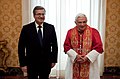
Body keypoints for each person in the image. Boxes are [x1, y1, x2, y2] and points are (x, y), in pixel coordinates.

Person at [18, 6, 58, 79]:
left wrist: (53, 60)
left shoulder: (50, 28)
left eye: (43, 14)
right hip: (31, 63)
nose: (41, 16)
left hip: (46, 63)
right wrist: (23, 64)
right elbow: (21, 47)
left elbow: (55, 45)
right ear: (34, 15)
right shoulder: (26, 28)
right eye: (38, 14)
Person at [63, 13, 103, 79]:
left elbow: (99, 47)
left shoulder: (94, 32)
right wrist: (76, 56)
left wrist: (87, 57)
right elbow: (66, 46)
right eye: (80, 22)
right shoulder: (70, 32)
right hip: (74, 62)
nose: (82, 24)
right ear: (75, 22)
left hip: (89, 63)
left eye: (84, 22)